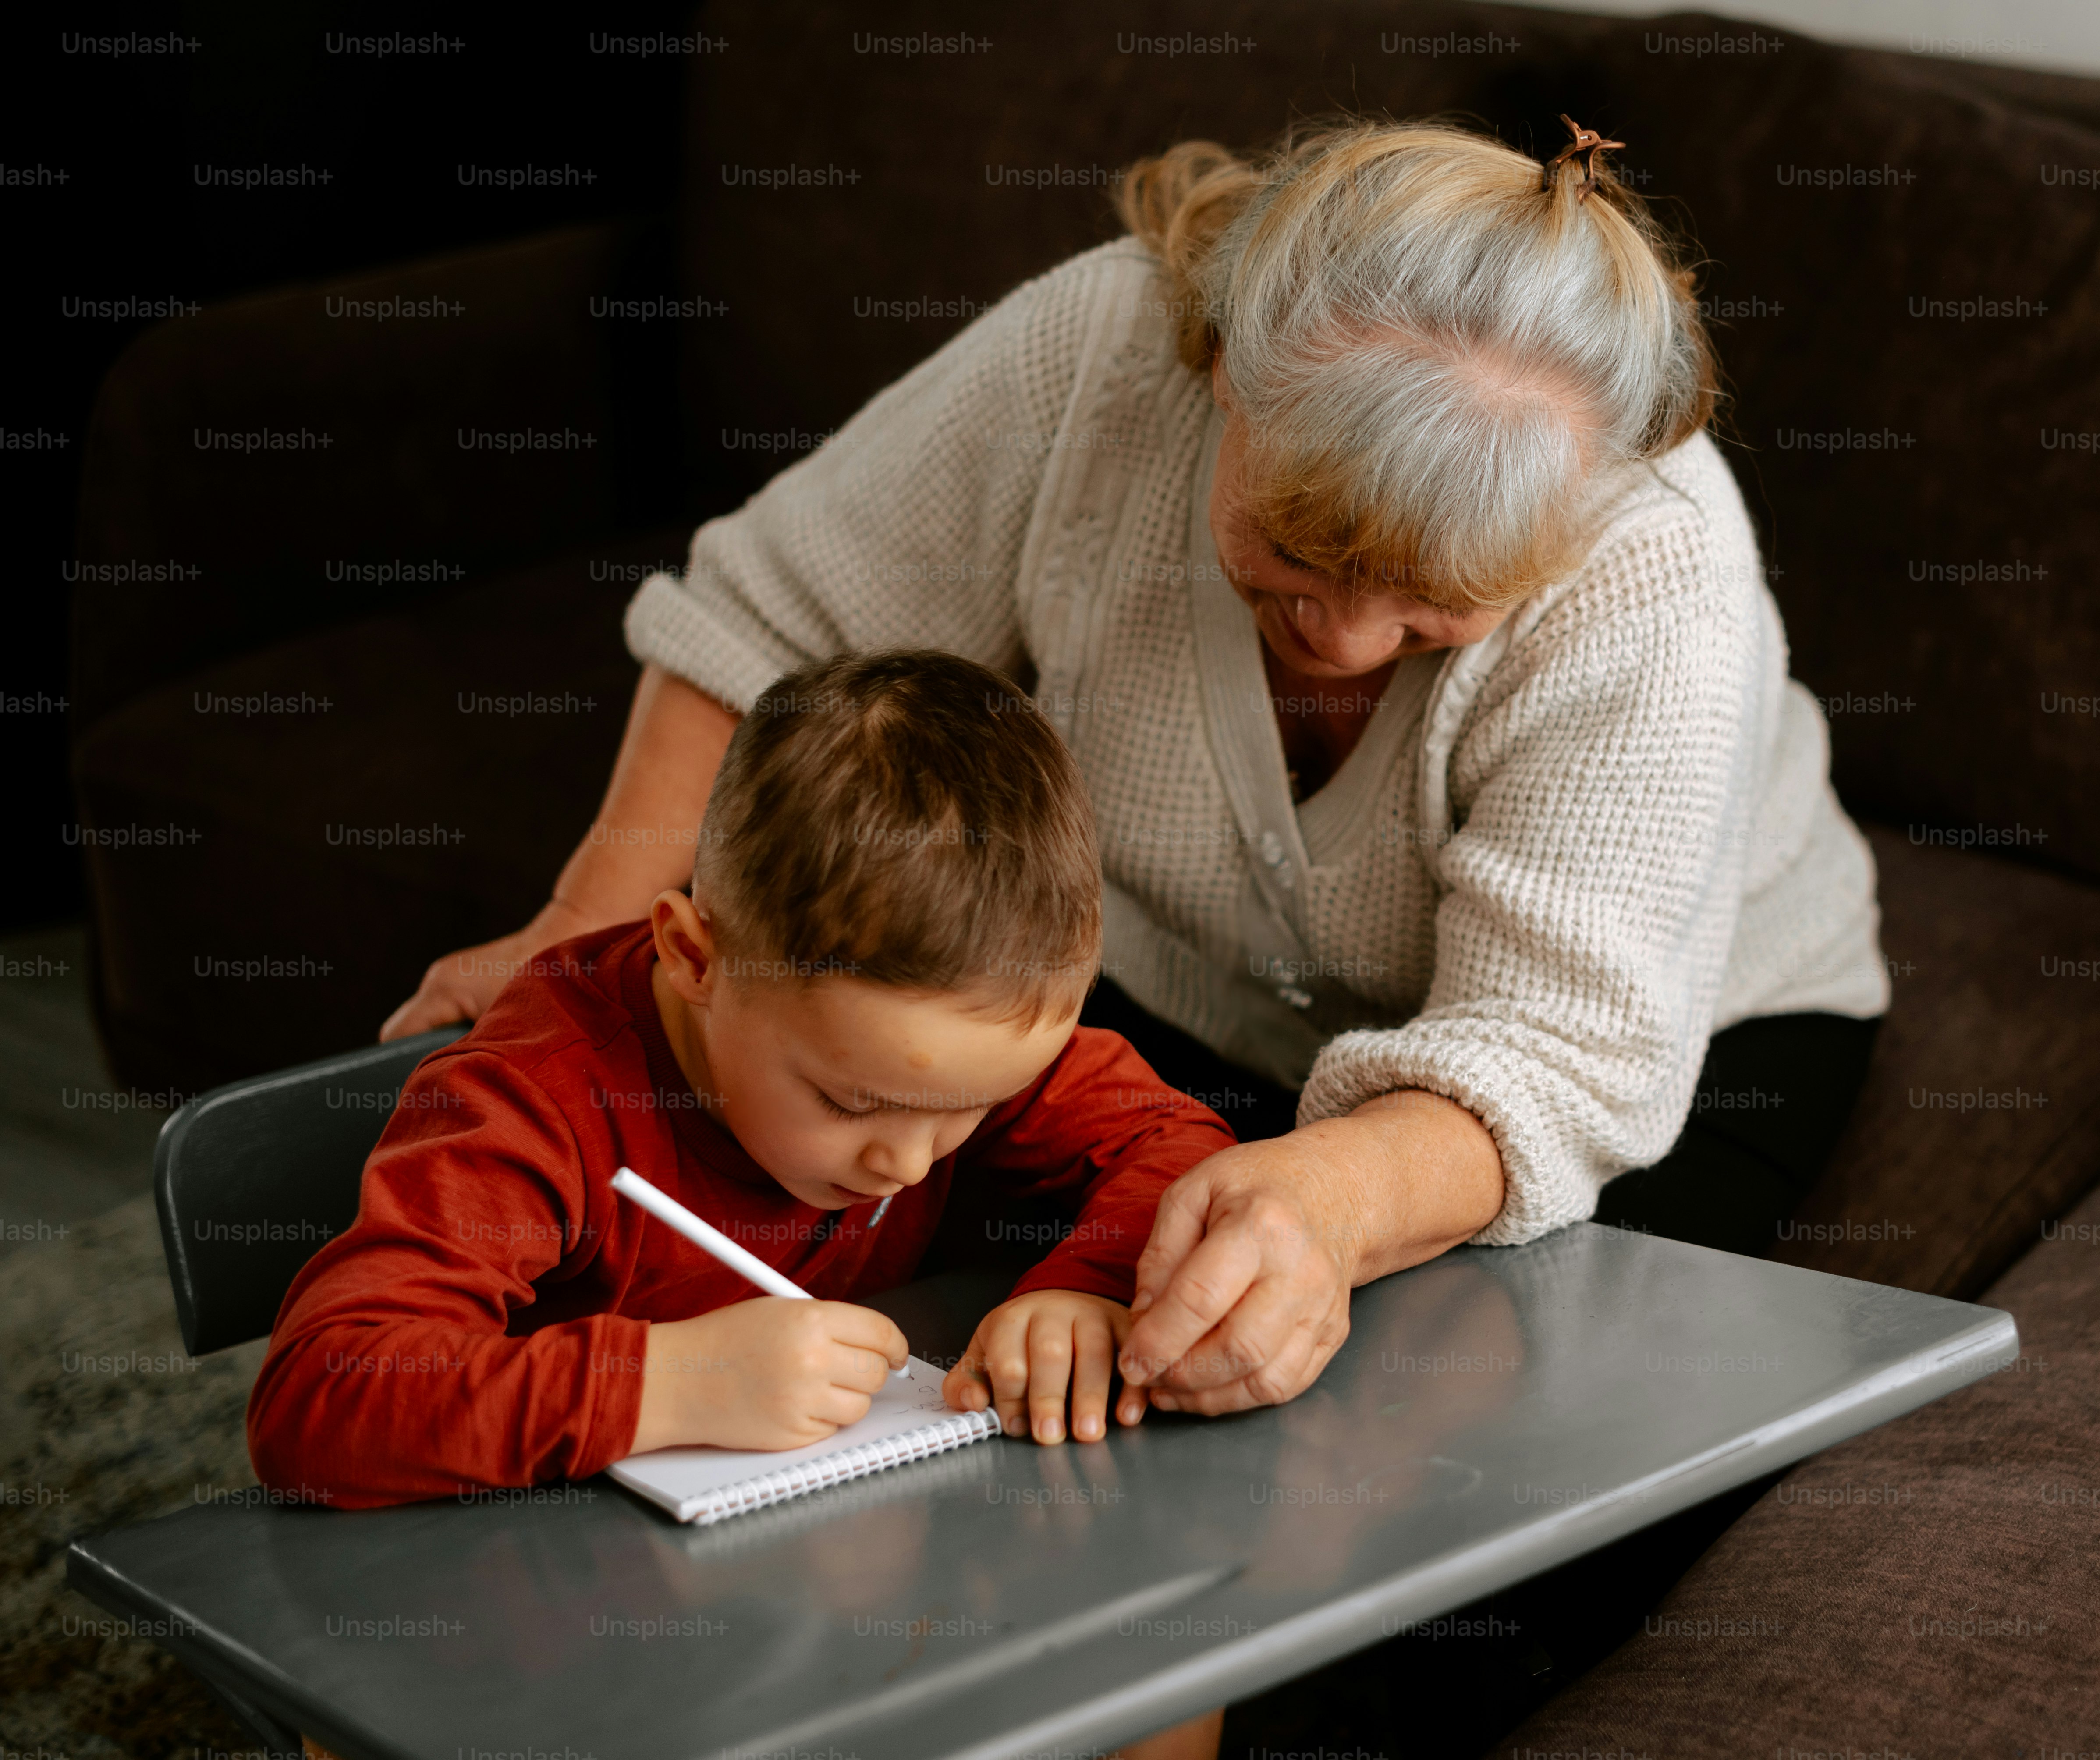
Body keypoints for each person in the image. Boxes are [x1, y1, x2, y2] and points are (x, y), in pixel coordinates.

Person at [381, 115, 1889, 1432]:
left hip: (1663, 1054)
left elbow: (1555, 1057)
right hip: (1174, 991)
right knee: (997, 1363)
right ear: (1222, 370)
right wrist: (573, 925)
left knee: (1452, 1448)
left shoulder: (1654, 563)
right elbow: (776, 619)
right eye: (1294, 558)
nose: (1349, 642)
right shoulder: (1099, 352)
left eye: (1432, 603)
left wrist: (1328, 1197)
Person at [251, 650, 1237, 1512]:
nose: (903, 1161)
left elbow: (1179, 1150)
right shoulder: (538, 1101)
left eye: (968, 1113)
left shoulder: (948, 1042)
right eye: (848, 1102)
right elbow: (321, 1400)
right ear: (692, 956)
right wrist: (672, 1384)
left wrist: (1085, 1286)